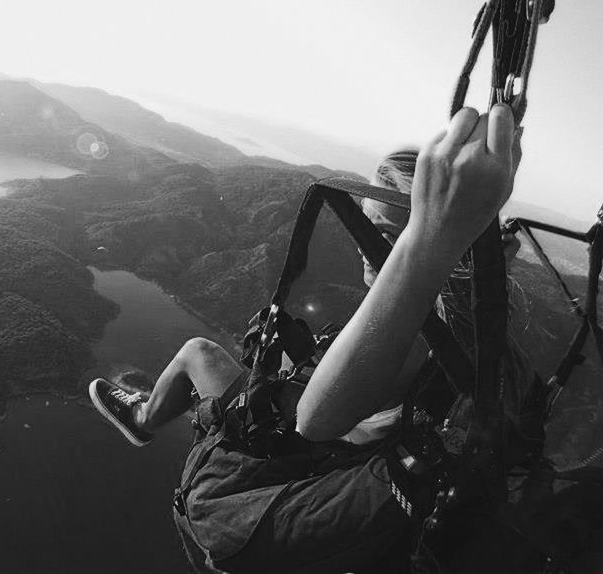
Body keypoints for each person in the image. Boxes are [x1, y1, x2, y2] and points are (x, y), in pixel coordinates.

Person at [88, 105, 536, 573]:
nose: (363, 246)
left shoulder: (417, 327)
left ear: (420, 240)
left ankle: (143, 417)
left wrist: (430, 238)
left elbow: (317, 420)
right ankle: (145, 416)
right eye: (363, 226)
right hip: (329, 454)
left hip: (299, 466)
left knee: (197, 353)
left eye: (382, 234)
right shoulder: (464, 325)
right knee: (214, 357)